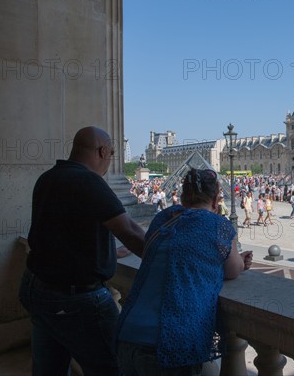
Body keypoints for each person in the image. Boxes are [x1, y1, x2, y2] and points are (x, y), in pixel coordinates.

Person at [19, 126, 146, 376]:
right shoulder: (88, 181)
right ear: (102, 151)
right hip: (75, 299)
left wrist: (109, 253)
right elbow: (130, 231)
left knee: (49, 368)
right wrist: (169, 258)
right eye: (111, 154)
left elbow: (65, 232)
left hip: (35, 286)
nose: (110, 162)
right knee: (114, 366)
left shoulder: (48, 177)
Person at [116, 168, 252, 375]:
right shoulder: (219, 225)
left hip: (128, 331)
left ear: (182, 196)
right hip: (171, 341)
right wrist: (240, 261)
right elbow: (232, 270)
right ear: (216, 199)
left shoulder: (163, 218)